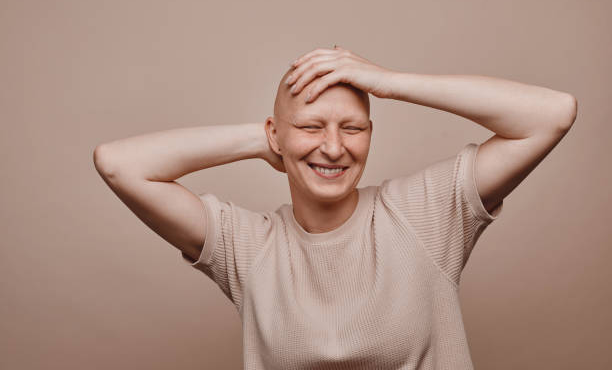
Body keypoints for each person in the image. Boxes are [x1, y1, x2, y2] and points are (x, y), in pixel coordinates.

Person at [93, 46, 577, 369]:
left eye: (353, 128)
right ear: (276, 133)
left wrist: (387, 82)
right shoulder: (249, 248)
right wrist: (267, 139)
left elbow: (551, 114)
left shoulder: (423, 214)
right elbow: (118, 164)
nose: (333, 147)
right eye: (311, 128)